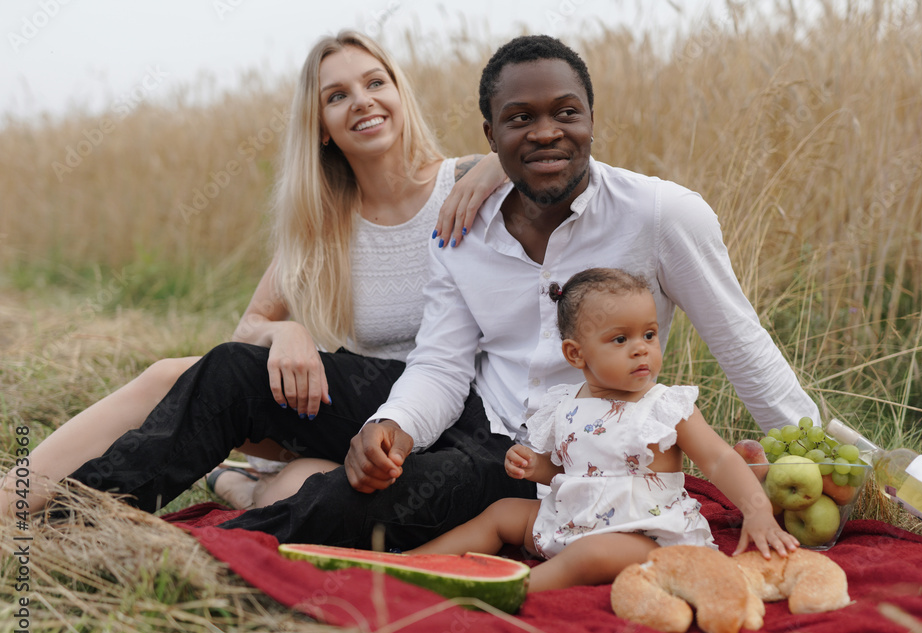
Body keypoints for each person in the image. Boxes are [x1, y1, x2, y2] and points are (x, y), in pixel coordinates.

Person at [37, 34, 818, 552]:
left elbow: (743, 343)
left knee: (348, 501)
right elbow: (442, 362)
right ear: (490, 131)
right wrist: (391, 425)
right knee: (215, 371)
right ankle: (72, 517)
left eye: (564, 114)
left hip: (517, 454)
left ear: (591, 118)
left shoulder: (648, 212)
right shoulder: (449, 225)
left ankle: (220, 535)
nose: (544, 132)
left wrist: (823, 457)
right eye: (519, 120)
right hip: (440, 404)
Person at [0, 30, 508, 518]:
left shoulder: (467, 181)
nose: (362, 101)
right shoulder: (325, 222)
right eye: (337, 95)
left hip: (464, 414)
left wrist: (501, 162)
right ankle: (13, 504)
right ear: (321, 128)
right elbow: (249, 328)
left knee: (295, 489)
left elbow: (566, 167)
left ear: (400, 93)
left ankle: (241, 486)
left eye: (376, 83)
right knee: (177, 381)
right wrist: (285, 331)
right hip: (362, 416)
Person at [411, 268, 798, 592]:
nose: (641, 348)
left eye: (649, 334)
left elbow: (718, 458)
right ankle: (410, 563)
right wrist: (535, 466)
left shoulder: (665, 406)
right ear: (576, 354)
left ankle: (508, 589)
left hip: (644, 537)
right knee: (502, 513)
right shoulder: (565, 403)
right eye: (620, 339)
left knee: (591, 555)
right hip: (569, 519)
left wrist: (757, 509)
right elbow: (569, 470)